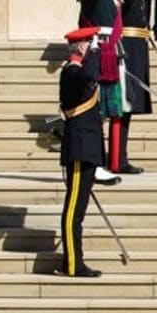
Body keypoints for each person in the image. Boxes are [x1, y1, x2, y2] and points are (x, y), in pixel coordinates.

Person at [58, 26, 106, 278]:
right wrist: (96, 53)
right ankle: (73, 263)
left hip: (87, 149)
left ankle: (75, 261)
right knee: (73, 211)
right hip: (79, 149)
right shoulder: (71, 72)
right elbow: (89, 77)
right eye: (89, 43)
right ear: (81, 47)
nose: (92, 48)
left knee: (79, 210)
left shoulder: (78, 71)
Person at [76, 0, 125, 184]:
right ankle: (94, 165)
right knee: (95, 114)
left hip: (108, 52)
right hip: (99, 54)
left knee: (104, 113)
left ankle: (99, 163)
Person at [112, 0, 151, 174]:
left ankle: (121, 157)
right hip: (126, 49)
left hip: (136, 48)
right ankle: (117, 159)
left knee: (129, 107)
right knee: (122, 106)